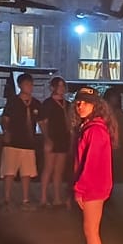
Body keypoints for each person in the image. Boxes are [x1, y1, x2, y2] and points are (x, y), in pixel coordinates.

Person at [68, 87, 117, 244]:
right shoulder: (89, 127)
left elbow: (91, 164)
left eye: (86, 103)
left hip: (93, 187)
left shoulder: (95, 130)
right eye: (78, 102)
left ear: (95, 106)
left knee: (91, 230)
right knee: (89, 230)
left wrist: (80, 189)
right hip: (93, 185)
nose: (80, 106)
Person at [0, 74, 43, 210]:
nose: (29, 87)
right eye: (26, 84)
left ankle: (25, 200)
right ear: (20, 86)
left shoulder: (36, 103)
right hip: (13, 142)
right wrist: (6, 132)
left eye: (31, 84)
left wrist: (46, 137)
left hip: (29, 143)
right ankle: (7, 199)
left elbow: (41, 122)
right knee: (9, 171)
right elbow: (5, 119)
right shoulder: (13, 102)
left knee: (27, 172)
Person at [40, 76, 73, 210]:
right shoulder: (48, 103)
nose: (61, 88)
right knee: (48, 168)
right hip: (52, 138)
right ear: (53, 87)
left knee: (59, 170)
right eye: (59, 86)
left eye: (63, 86)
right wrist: (47, 138)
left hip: (63, 139)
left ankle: (57, 198)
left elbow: (70, 124)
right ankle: (43, 198)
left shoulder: (68, 104)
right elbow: (42, 122)